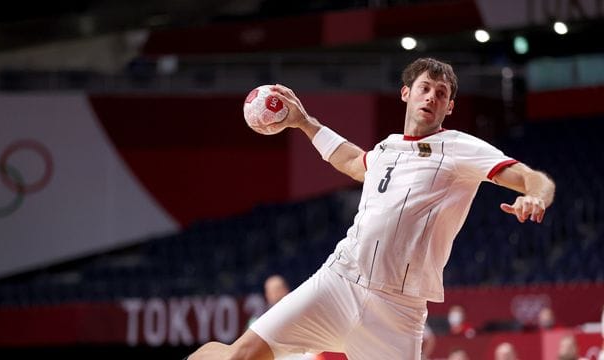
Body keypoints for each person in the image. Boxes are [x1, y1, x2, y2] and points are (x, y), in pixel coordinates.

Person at [187, 57, 556, 360]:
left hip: (398, 311)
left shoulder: (460, 148)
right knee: (241, 356)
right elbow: (353, 161)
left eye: (441, 94)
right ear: (406, 93)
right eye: (425, 89)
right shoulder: (387, 148)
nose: (431, 97)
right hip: (340, 281)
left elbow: (532, 177)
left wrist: (535, 196)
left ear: (449, 106)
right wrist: (304, 122)